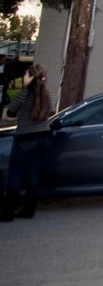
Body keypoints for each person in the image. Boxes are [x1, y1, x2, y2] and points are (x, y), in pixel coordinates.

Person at [2, 63, 55, 221]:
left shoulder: (23, 94)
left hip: (25, 137)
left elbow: (10, 114)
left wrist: (17, 117)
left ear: (31, 77)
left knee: (16, 175)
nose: (24, 77)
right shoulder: (47, 93)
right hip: (43, 136)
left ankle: (8, 212)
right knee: (34, 174)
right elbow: (50, 112)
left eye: (25, 75)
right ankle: (29, 210)